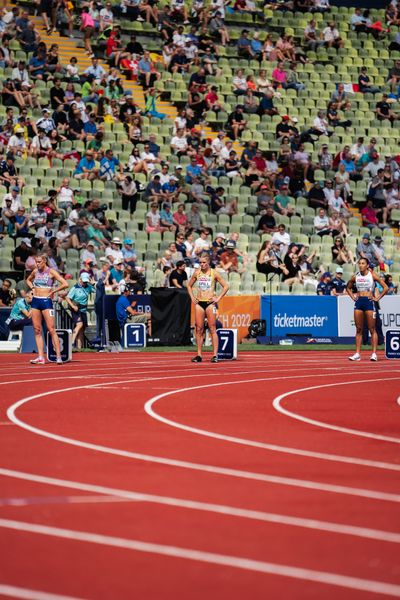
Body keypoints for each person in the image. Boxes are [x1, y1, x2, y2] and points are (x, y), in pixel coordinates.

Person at [25, 253, 68, 365]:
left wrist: (53, 291)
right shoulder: (35, 271)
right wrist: (33, 288)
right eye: (36, 262)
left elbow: (65, 283)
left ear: (44, 261)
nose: (37, 264)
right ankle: (40, 357)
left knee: (51, 328)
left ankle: (58, 356)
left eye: (39, 262)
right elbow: (28, 280)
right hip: (35, 301)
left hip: (46, 301)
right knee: (37, 329)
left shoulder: (51, 272)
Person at [187, 252, 229, 363]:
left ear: (208, 262)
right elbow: (189, 285)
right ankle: (199, 355)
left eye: (204, 262)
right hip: (199, 303)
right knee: (199, 329)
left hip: (210, 303)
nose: (202, 264)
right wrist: (192, 297)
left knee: (212, 328)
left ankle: (215, 355)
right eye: (200, 262)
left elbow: (226, 286)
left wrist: (218, 298)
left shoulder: (214, 273)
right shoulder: (197, 273)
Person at [346, 258, 388, 362]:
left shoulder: (372, 275)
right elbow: (348, 287)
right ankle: (357, 354)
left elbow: (385, 287)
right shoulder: (356, 276)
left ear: (367, 265)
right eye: (359, 263)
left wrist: (377, 298)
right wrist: (353, 297)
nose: (360, 265)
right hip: (359, 302)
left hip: (369, 302)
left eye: (363, 263)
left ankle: (374, 354)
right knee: (359, 329)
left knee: (372, 329)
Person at [64, 272, 95, 351]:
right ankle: (71, 342)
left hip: (83, 310)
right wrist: (73, 306)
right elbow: (67, 298)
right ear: (80, 279)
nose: (84, 283)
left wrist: (93, 283)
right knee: (79, 324)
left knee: (82, 329)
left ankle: (79, 348)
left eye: (85, 281)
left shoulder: (89, 287)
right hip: (76, 308)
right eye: (83, 281)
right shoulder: (75, 288)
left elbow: (96, 291)